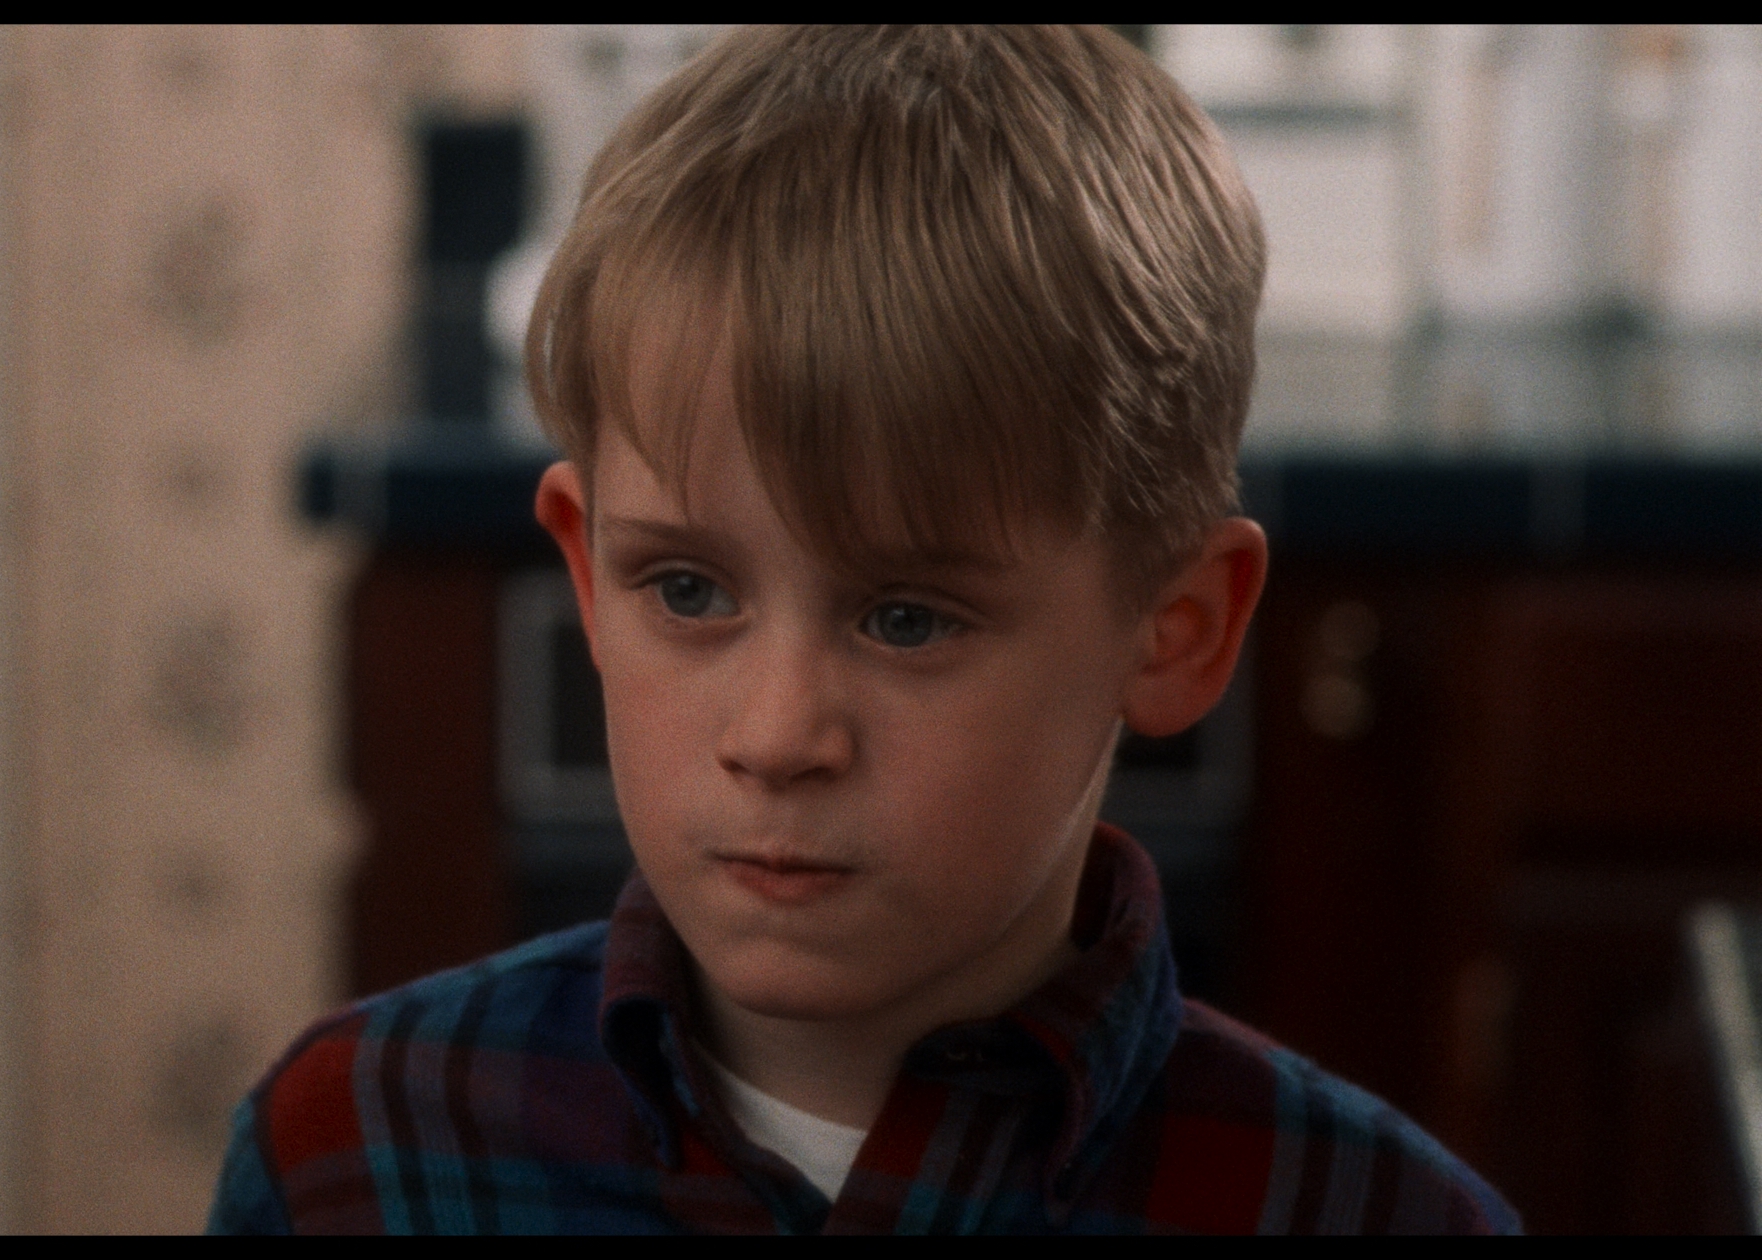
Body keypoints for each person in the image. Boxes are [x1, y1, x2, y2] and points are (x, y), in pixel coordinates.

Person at [208, 25, 1519, 1234]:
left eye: (906, 618)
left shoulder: (1374, 1218)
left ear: (1175, 629)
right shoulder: (350, 1158)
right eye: (688, 591)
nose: (778, 737)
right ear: (587, 575)